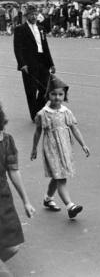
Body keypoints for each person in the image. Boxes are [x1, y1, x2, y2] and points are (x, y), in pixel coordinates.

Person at [30, 75, 90, 219]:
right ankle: (70, 206)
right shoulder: (43, 114)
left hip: (64, 147)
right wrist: (34, 149)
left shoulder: (66, 112)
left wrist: (83, 144)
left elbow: (74, 128)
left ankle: (48, 198)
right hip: (51, 148)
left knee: (58, 176)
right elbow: (38, 131)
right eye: (53, 94)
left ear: (64, 95)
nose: (57, 97)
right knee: (61, 178)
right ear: (48, 95)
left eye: (60, 94)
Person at [0, 104, 35, 277]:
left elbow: (13, 171)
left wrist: (26, 201)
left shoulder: (6, 140)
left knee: (12, 246)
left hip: (3, 199)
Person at [13, 5, 56, 121]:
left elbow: (46, 47)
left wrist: (51, 63)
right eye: (31, 15)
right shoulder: (20, 29)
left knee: (46, 89)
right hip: (29, 64)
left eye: (35, 14)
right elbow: (17, 48)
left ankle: (38, 110)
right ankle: (34, 115)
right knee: (31, 91)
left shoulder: (41, 29)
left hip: (42, 62)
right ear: (27, 16)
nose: (34, 16)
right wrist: (22, 64)